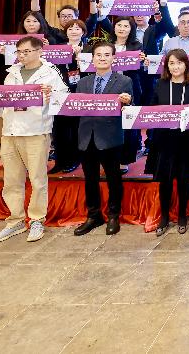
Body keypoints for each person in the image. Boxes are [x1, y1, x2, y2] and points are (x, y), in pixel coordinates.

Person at [0, 35, 67, 244]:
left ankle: (37, 220)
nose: (22, 55)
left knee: (37, 179)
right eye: (19, 52)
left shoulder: (50, 72)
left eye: (26, 51)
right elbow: (3, 99)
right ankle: (15, 220)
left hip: (36, 131)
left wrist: (52, 95)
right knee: (12, 179)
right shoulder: (12, 72)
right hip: (10, 132)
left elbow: (63, 99)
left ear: (39, 51)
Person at [74, 42, 133, 236]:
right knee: (90, 179)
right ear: (92, 59)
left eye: (107, 55)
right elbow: (75, 107)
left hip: (110, 137)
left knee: (113, 178)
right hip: (86, 136)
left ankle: (114, 215)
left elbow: (131, 108)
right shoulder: (83, 82)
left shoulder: (124, 81)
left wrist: (128, 102)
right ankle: (94, 215)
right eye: (98, 55)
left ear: (113, 58)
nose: (102, 58)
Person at [148, 49, 189, 236]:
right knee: (165, 180)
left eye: (179, 63)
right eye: (171, 63)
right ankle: (164, 216)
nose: (175, 67)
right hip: (164, 139)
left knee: (183, 179)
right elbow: (152, 109)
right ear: (167, 66)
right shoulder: (160, 84)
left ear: (186, 65)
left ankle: (181, 216)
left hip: (186, 139)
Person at [49, 19, 89, 174]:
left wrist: (80, 58)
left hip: (80, 91)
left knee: (75, 128)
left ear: (83, 32)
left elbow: (92, 70)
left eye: (77, 28)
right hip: (59, 91)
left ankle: (74, 160)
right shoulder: (58, 48)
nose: (73, 31)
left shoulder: (89, 48)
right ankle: (59, 161)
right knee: (58, 128)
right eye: (70, 28)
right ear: (65, 32)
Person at [110, 16, 145, 172]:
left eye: (126, 26)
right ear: (114, 27)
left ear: (131, 29)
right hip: (109, 86)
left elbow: (139, 68)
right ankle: (110, 157)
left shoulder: (136, 46)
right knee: (110, 123)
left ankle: (124, 159)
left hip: (130, 85)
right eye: (119, 25)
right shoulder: (106, 45)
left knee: (128, 122)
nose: (122, 28)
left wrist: (142, 60)